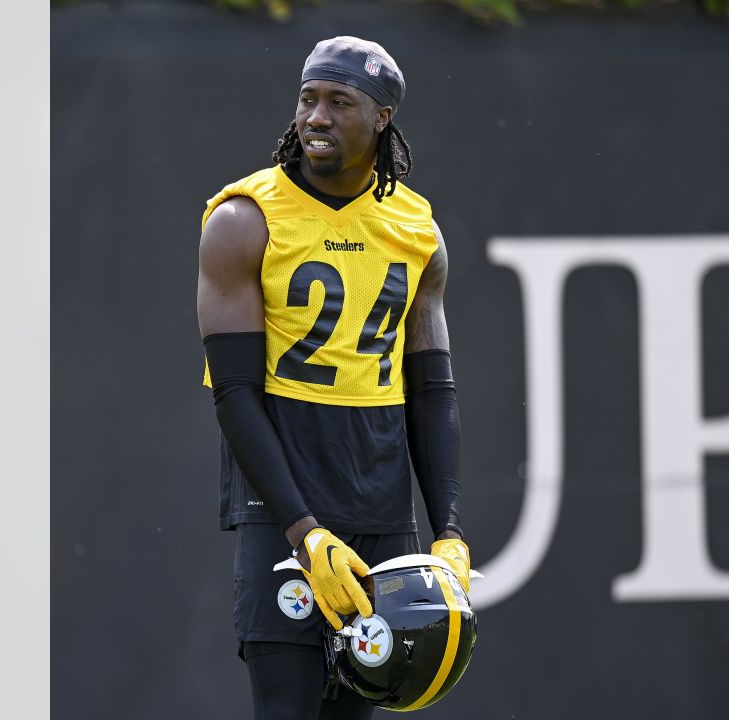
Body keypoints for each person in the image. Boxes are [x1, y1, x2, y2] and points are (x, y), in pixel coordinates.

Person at [196, 37, 470, 720]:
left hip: (380, 511)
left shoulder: (417, 229)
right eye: (307, 99)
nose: (315, 117)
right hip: (282, 508)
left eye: (338, 102)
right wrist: (303, 530)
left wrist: (449, 530)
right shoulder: (244, 220)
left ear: (382, 119)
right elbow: (235, 394)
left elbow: (432, 392)